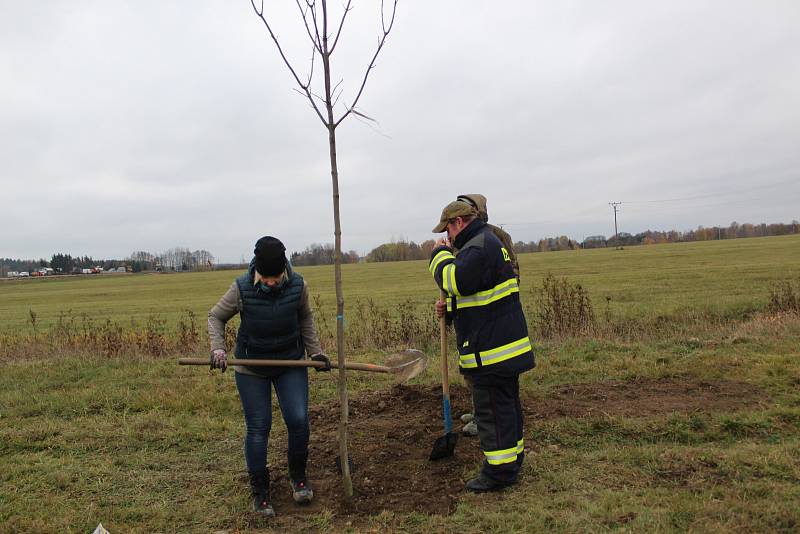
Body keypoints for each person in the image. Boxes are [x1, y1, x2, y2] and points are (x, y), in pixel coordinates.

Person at [208, 236, 330, 517]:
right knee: (259, 427)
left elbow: (306, 319)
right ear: (257, 271)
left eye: (276, 278)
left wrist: (316, 353)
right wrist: (218, 348)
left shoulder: (298, 286)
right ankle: (260, 492)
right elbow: (216, 317)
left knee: (298, 420)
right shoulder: (240, 288)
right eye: (266, 278)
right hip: (251, 366)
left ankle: (298, 477)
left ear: (283, 271)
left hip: (290, 363)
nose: (271, 283)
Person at [428, 200, 535, 492]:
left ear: (459, 222)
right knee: (507, 406)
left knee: (492, 411)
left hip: (491, 349)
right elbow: (479, 294)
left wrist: (438, 256)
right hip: (502, 344)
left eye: (448, 229)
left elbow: (455, 279)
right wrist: (450, 308)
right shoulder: (487, 241)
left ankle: (499, 473)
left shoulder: (477, 247)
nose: (447, 237)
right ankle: (512, 460)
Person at [453, 194, 520, 437]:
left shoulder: (495, 238)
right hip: (468, 316)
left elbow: (510, 272)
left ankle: (486, 418)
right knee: (470, 367)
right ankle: (478, 409)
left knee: (489, 369)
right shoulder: (460, 240)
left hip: (489, 315)